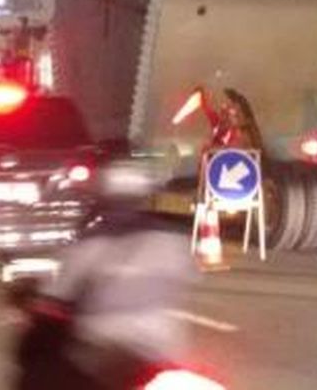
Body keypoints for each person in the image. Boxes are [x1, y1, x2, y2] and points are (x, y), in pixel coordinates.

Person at [15, 159, 196, 389]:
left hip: (103, 354)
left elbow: (55, 297)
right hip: (164, 351)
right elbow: (185, 278)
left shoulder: (90, 244)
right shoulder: (172, 240)